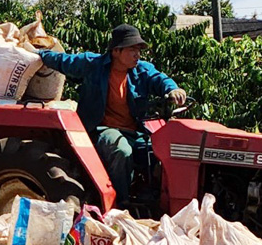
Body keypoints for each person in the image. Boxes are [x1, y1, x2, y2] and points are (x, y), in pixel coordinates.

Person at [37, 24, 186, 204]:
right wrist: (39, 55)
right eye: (132, 49)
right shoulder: (93, 65)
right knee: (121, 150)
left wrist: (173, 89)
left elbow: (159, 79)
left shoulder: (143, 70)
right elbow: (64, 61)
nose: (137, 54)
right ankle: (119, 205)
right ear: (116, 51)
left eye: (139, 50)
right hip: (102, 129)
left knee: (161, 154)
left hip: (134, 131)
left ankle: (154, 200)